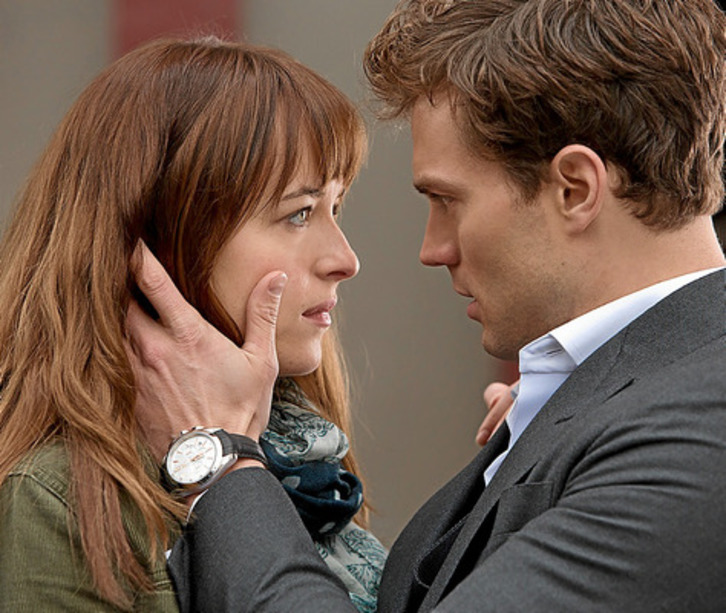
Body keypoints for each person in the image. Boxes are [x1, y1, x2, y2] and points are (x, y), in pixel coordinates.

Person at [128, 0, 726, 611]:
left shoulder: (696, 439)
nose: (432, 249)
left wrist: (219, 456)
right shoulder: (637, 395)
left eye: (447, 201)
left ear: (575, 189)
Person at [0, 36, 389, 611]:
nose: (345, 259)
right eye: (299, 213)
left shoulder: (311, 469)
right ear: (166, 242)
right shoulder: (59, 500)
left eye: (337, 208)